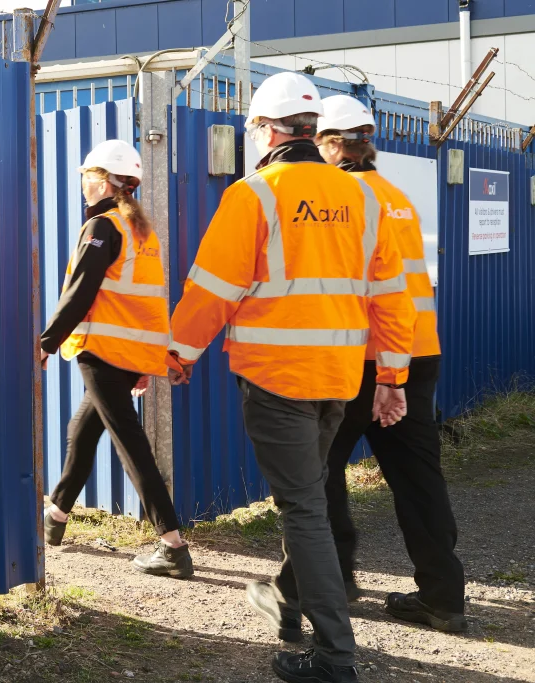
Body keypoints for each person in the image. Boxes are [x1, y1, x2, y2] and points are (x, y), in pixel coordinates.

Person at [166, 72, 416, 683]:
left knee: (304, 510)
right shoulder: (362, 197)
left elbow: (214, 288)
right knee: (308, 501)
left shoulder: (255, 194)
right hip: (339, 378)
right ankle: (288, 602)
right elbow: (392, 294)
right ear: (311, 131)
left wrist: (178, 351)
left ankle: (335, 656)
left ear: (267, 130)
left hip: (278, 379)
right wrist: (392, 375)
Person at [315, 95, 467, 633]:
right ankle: (443, 597)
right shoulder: (394, 195)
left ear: (331, 144)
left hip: (367, 359)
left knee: (321, 467)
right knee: (416, 476)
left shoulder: (343, 197)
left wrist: (385, 373)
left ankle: (333, 578)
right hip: (419, 352)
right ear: (368, 141)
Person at [39, 139, 193, 579]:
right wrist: (146, 359)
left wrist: (48, 342)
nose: (84, 185)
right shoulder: (140, 232)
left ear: (104, 181)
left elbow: (81, 290)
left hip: (102, 350)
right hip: (126, 353)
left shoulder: (103, 228)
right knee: (82, 430)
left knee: (129, 442)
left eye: (88, 177)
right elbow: (150, 303)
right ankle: (56, 517)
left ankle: (173, 545)